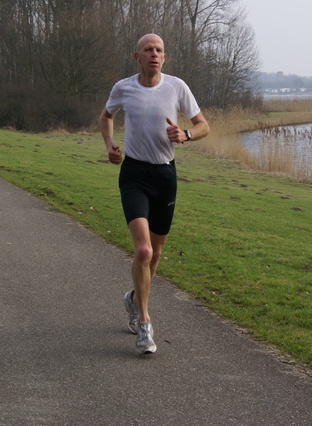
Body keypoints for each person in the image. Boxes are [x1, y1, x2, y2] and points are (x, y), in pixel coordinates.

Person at [100, 33, 210, 354]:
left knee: (157, 253)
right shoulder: (124, 88)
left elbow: (203, 124)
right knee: (144, 251)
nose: (154, 54)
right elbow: (107, 115)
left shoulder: (176, 87)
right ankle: (144, 323)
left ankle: (133, 298)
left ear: (165, 57)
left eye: (159, 50)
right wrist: (109, 145)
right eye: (148, 50)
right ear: (137, 56)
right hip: (134, 174)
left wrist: (186, 134)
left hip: (165, 176)